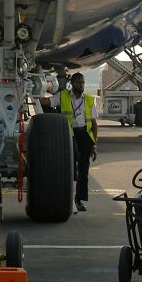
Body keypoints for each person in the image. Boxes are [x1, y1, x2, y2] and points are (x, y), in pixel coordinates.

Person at [40, 72, 98, 213]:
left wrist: (94, 144)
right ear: (72, 83)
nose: (82, 85)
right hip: (70, 134)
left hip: (85, 135)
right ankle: (68, 197)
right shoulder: (63, 96)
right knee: (72, 161)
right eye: (79, 82)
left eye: (83, 82)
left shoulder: (89, 99)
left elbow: (94, 124)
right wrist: (35, 90)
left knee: (84, 170)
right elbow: (46, 102)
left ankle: (79, 199)